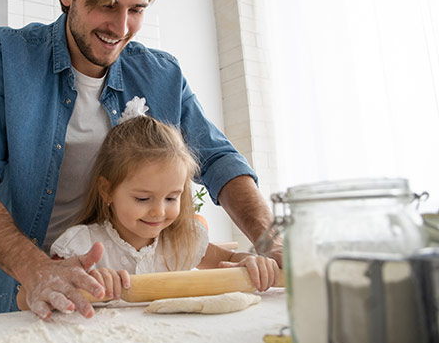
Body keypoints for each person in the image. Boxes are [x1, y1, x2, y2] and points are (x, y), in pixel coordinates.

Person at [0, 0, 281, 321]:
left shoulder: (162, 75)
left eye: (136, 10)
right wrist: (36, 268)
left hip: (108, 300)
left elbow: (219, 159)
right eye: (107, 4)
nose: (121, 29)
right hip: (8, 288)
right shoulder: (6, 56)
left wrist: (270, 241)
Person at [17, 109, 280, 311]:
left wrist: (251, 262)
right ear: (107, 191)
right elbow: (25, 299)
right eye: (143, 199)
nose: (158, 212)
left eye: (171, 198)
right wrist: (81, 283)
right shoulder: (83, 246)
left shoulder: (182, 240)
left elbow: (231, 262)